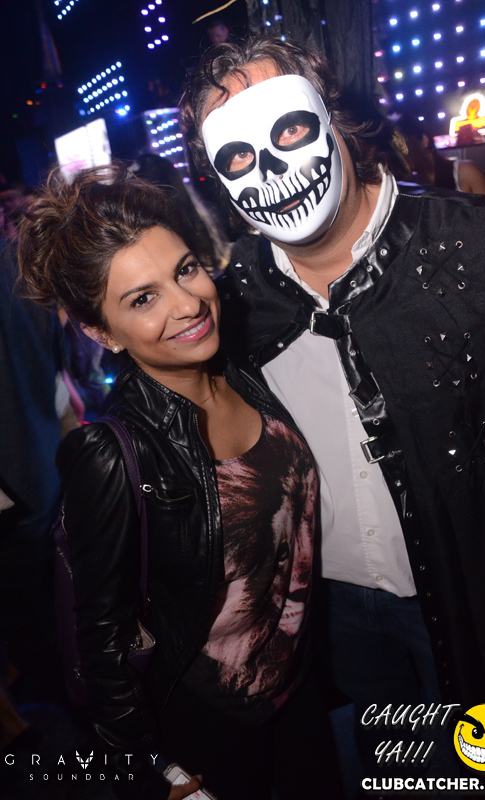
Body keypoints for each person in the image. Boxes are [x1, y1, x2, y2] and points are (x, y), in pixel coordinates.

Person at [180, 34, 485, 779]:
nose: (268, 169)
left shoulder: (484, 254)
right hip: (340, 615)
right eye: (236, 157)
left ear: (336, 120)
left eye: (289, 131)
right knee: (399, 775)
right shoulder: (237, 303)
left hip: (484, 602)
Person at [17, 164, 344, 800]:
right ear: (99, 331)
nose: (188, 304)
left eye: (185, 270)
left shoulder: (243, 371)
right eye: (143, 299)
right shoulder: (110, 456)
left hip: (296, 689)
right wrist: (152, 769)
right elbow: (100, 644)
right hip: (206, 725)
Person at [395, 113, 485, 198]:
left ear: (424, 141)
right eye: (396, 150)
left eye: (405, 145)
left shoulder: (465, 171)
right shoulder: (411, 184)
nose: (400, 154)